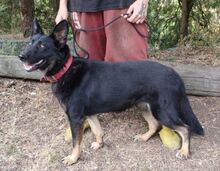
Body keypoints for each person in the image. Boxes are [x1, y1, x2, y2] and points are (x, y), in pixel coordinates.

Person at [55, 0, 149, 62]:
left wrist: (143, 1)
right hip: (82, 6)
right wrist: (62, 6)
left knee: (131, 71)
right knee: (89, 76)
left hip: (125, 6)